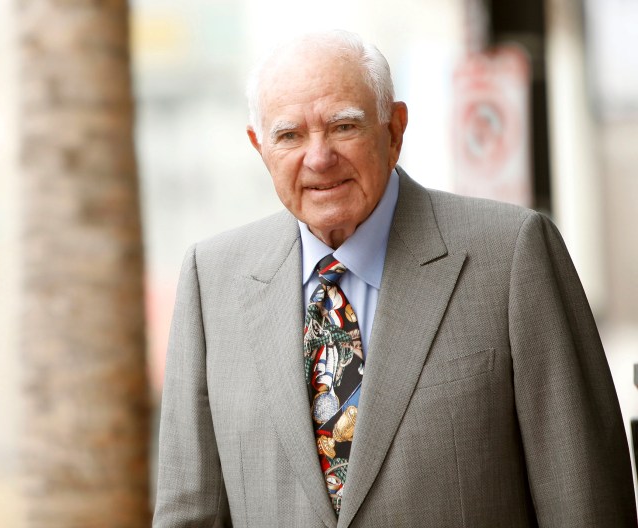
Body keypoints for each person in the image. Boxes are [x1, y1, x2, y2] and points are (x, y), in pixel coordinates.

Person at [153, 30, 637, 527]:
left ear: (394, 130)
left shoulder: (511, 255)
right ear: (260, 147)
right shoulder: (211, 282)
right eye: (289, 135)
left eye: (343, 126)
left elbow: (586, 504)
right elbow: (188, 513)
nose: (318, 158)